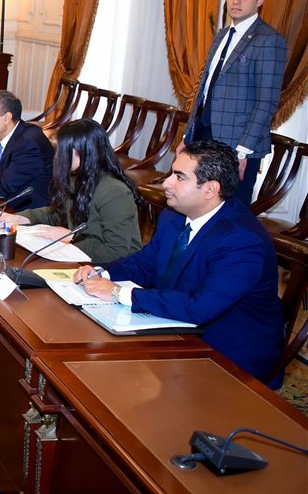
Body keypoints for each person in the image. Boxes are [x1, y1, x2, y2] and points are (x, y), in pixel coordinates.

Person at [75, 140, 283, 387]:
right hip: (176, 327)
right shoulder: (173, 216)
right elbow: (144, 265)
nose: (166, 183)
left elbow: (199, 308)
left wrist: (118, 293)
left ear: (210, 189)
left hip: (227, 356)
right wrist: (103, 273)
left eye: (179, 177)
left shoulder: (242, 240)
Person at [183, 0, 288, 205]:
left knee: (229, 214)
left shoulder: (269, 40)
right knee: (197, 207)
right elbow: (205, 90)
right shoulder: (221, 36)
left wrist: (242, 151)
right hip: (202, 138)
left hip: (237, 147)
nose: (236, 1)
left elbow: (266, 102)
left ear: (260, 0)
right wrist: (187, 135)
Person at [0, 119, 142, 262]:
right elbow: (59, 213)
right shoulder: (78, 178)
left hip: (116, 269)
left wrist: (71, 237)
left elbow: (117, 251)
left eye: (62, 150)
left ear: (82, 152)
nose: (57, 156)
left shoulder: (114, 192)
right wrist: (20, 218)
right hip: (83, 259)